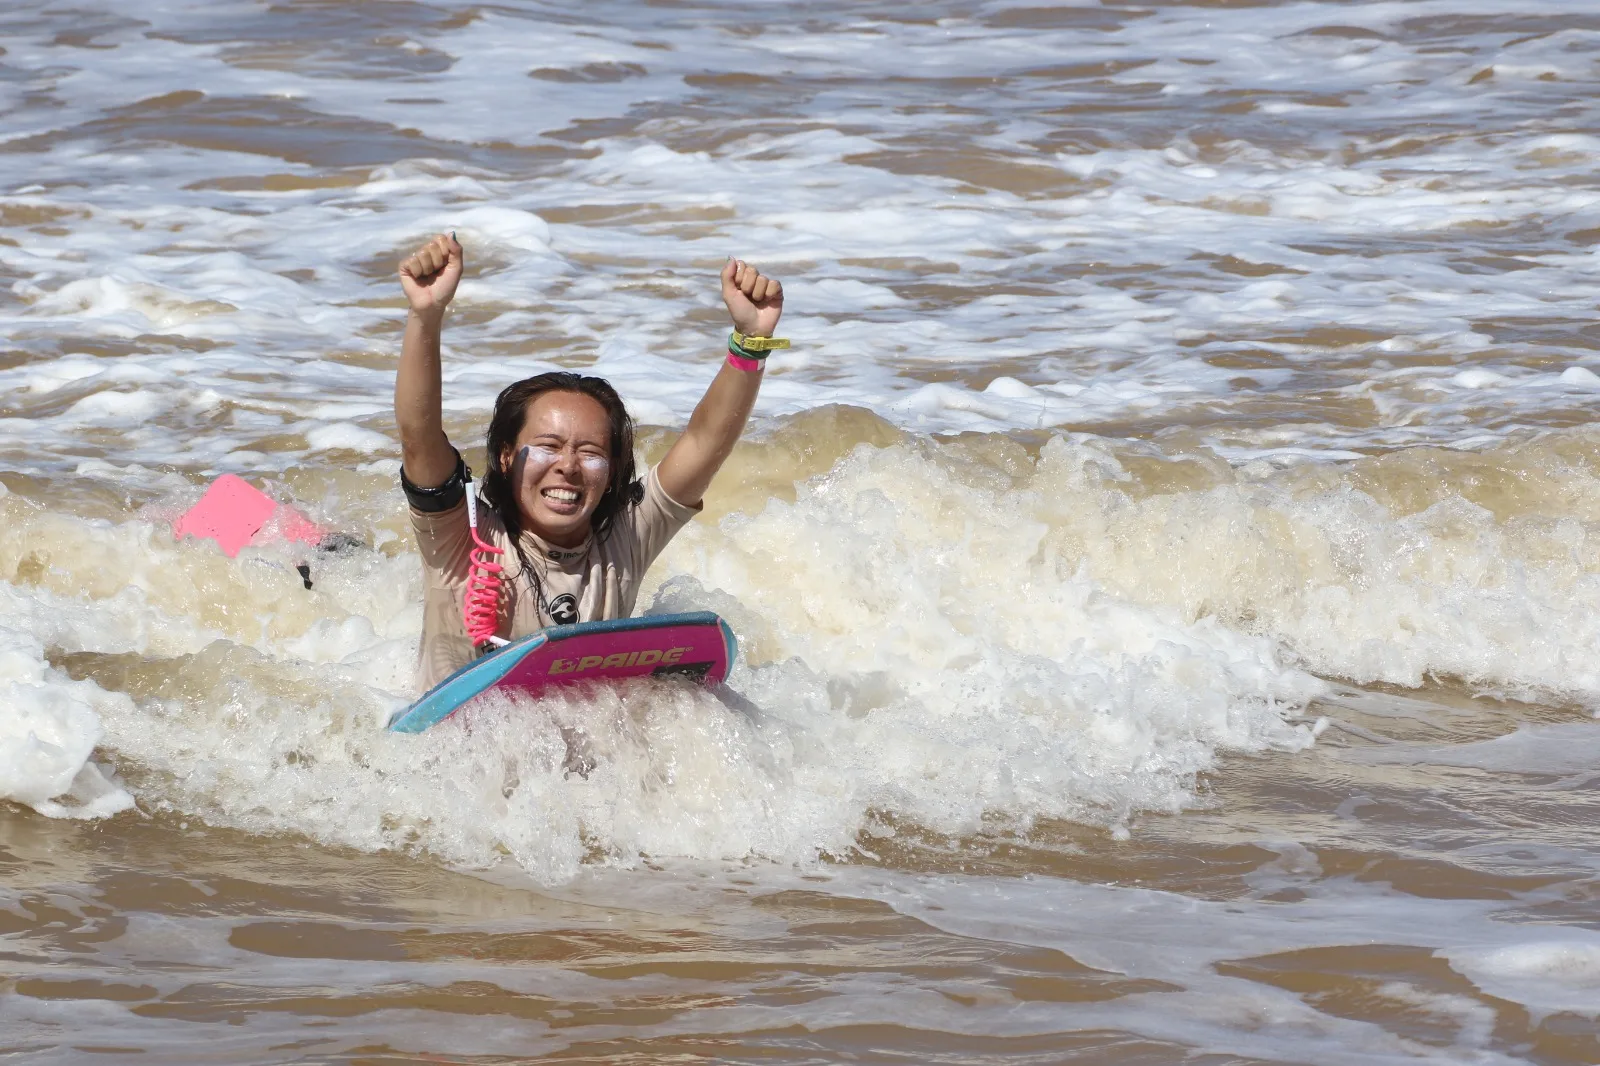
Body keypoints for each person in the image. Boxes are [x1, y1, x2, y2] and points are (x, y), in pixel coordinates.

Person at [393, 233, 784, 689]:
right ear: (504, 456)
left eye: (591, 452)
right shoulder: (463, 537)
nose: (569, 466)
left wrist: (752, 341)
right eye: (549, 445)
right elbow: (418, 438)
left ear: (614, 469)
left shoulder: (627, 539)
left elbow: (706, 441)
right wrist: (425, 314)